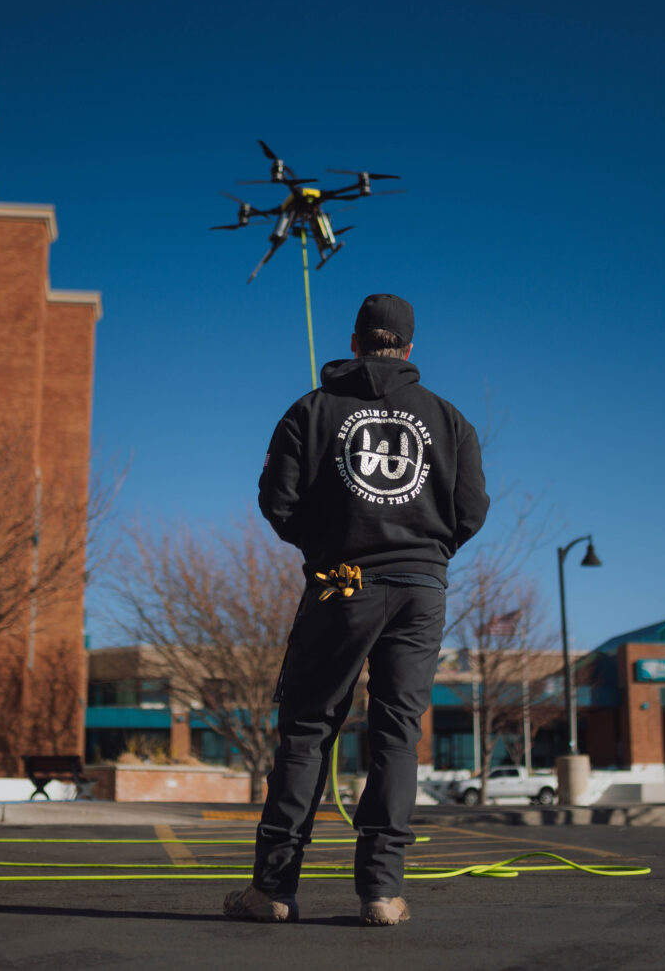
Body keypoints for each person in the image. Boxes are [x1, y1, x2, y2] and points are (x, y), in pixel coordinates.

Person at [224, 293, 489, 927]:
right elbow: (472, 509)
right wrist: (428, 553)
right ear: (409, 346)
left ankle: (273, 890)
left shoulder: (310, 412)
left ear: (354, 339)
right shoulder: (450, 422)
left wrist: (329, 546)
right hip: (422, 591)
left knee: (310, 730)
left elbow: (276, 502)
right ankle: (382, 893)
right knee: (397, 733)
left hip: (343, 584)